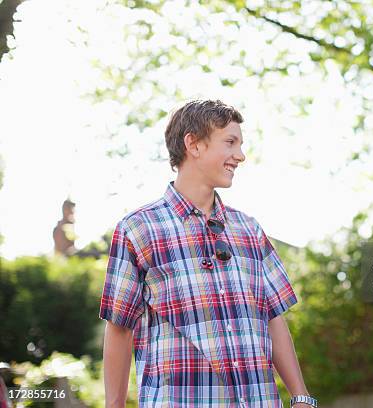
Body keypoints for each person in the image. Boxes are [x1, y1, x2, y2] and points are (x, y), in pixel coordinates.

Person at [99, 100, 316, 408]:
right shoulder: (138, 229)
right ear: (193, 144)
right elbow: (119, 326)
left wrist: (301, 396)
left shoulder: (249, 230)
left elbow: (273, 317)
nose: (240, 155)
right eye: (230, 142)